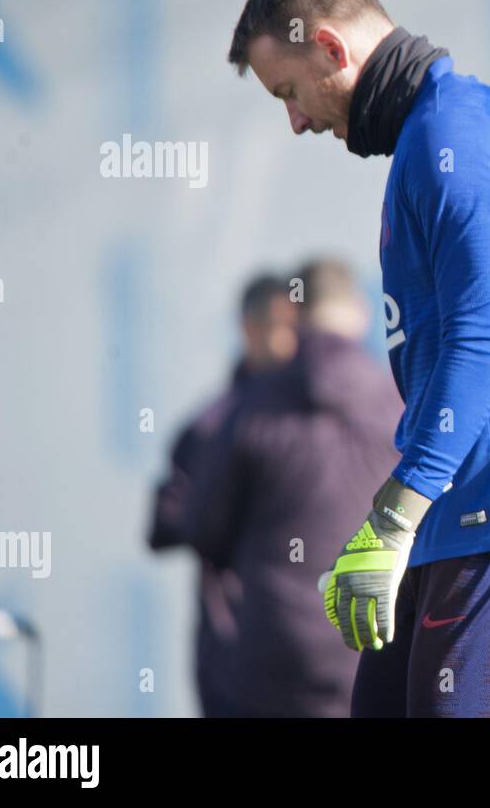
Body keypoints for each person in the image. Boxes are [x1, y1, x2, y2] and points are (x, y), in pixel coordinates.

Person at [227, 0, 490, 717]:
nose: (294, 121)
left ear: (330, 47)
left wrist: (394, 515)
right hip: (450, 531)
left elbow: (489, 342)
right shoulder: (429, 135)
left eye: (289, 92)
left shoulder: (454, 129)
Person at [181, 258, 404, 716]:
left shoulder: (250, 407)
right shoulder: (397, 404)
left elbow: (205, 526)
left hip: (270, 652)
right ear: (360, 312)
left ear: (294, 316)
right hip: (369, 638)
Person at [147, 272, 298, 716]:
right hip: (233, 650)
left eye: (297, 328)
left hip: (308, 649)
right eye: (280, 327)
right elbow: (166, 522)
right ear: (249, 328)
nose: (291, 342)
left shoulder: (321, 424)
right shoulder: (212, 427)